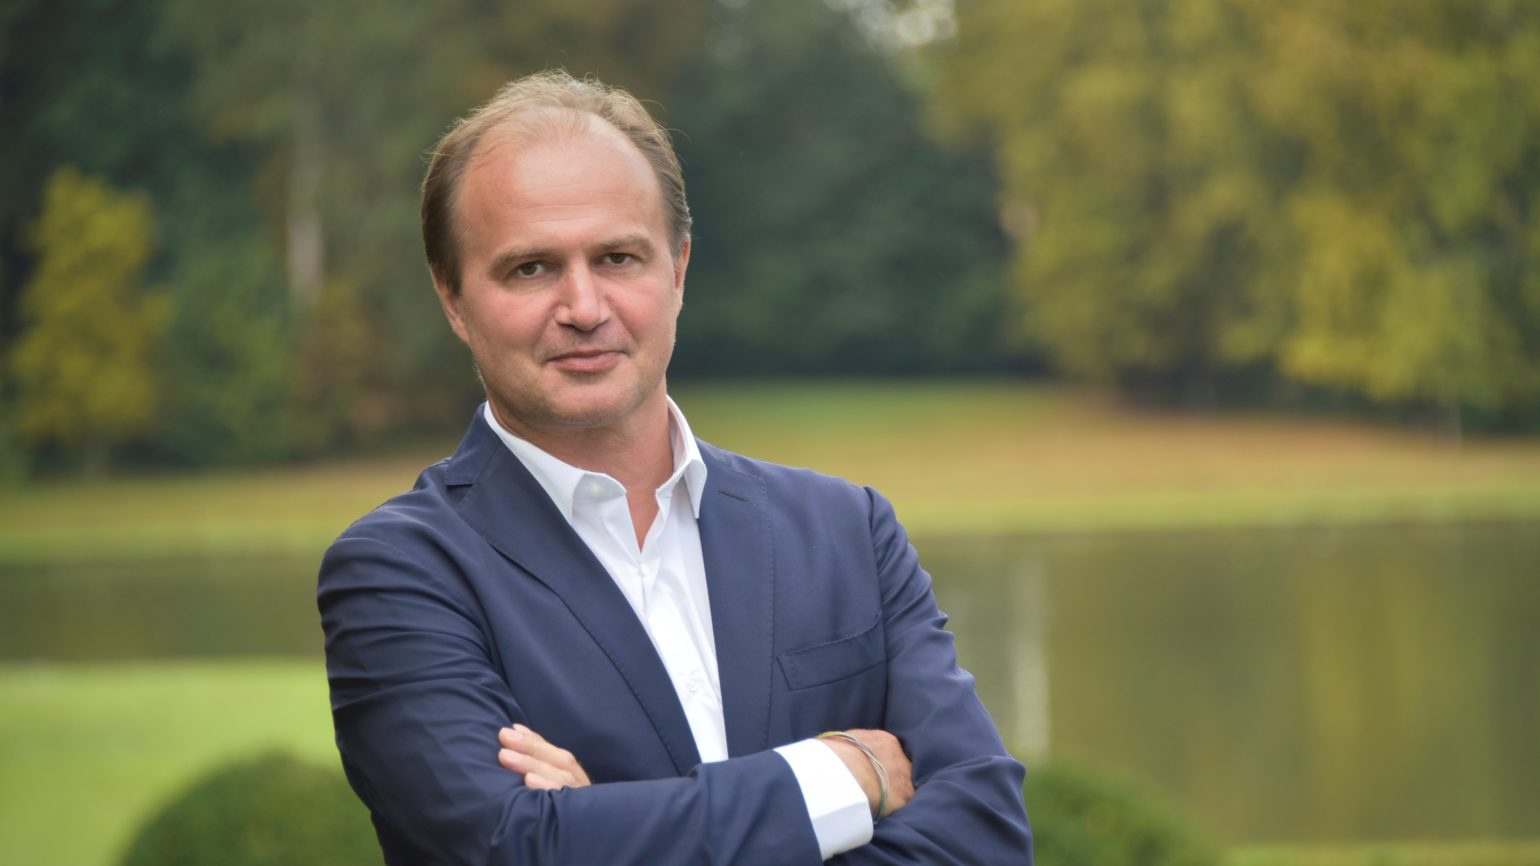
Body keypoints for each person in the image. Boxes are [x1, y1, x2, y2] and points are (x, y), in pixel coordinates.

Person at [318, 69, 1031, 865]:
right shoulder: (401, 572)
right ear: (452, 297)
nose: (584, 307)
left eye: (618, 258)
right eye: (531, 269)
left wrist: (604, 827)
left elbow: (986, 839)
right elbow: (509, 849)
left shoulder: (847, 532)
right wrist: (838, 777)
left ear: (679, 268)